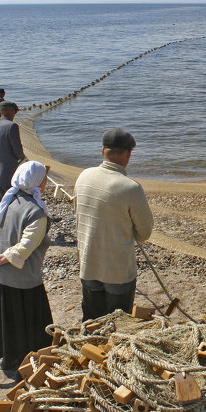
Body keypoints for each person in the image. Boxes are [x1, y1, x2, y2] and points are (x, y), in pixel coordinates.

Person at [0, 161, 52, 374]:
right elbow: (24, 249)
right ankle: (22, 361)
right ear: (37, 182)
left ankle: (6, 357)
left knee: (4, 317)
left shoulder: (9, 199)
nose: (46, 182)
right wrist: (0, 261)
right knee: (29, 321)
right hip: (16, 277)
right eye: (44, 178)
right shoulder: (37, 212)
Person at [74, 128, 153, 320]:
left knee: (91, 321)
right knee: (119, 325)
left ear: (103, 151)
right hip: (118, 271)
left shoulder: (83, 176)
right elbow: (144, 233)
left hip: (88, 264)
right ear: (128, 154)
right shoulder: (131, 188)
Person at [0, 101, 26, 199]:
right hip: (8, 171)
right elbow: (17, 149)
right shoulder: (12, 126)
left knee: (2, 200)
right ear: (11, 111)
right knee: (12, 200)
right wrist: (24, 159)